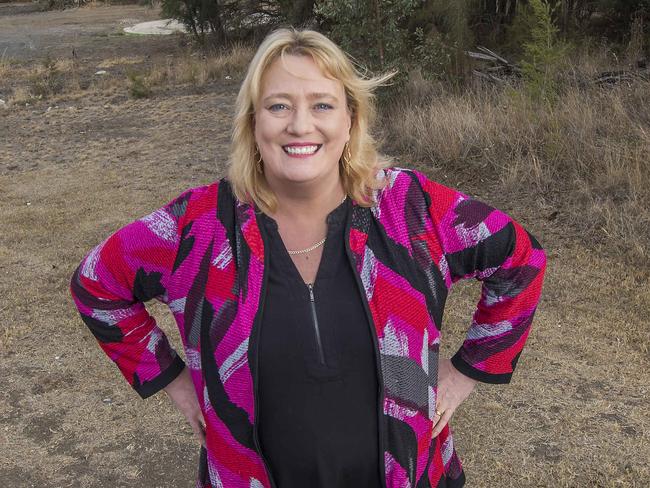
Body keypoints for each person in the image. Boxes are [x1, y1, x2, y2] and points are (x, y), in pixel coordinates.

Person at [70, 28, 546, 488]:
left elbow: (521, 261)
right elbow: (96, 285)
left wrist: (464, 372)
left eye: (322, 105)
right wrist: (174, 380)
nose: (301, 125)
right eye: (279, 106)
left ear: (350, 119)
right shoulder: (196, 226)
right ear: (253, 121)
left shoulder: (412, 207)